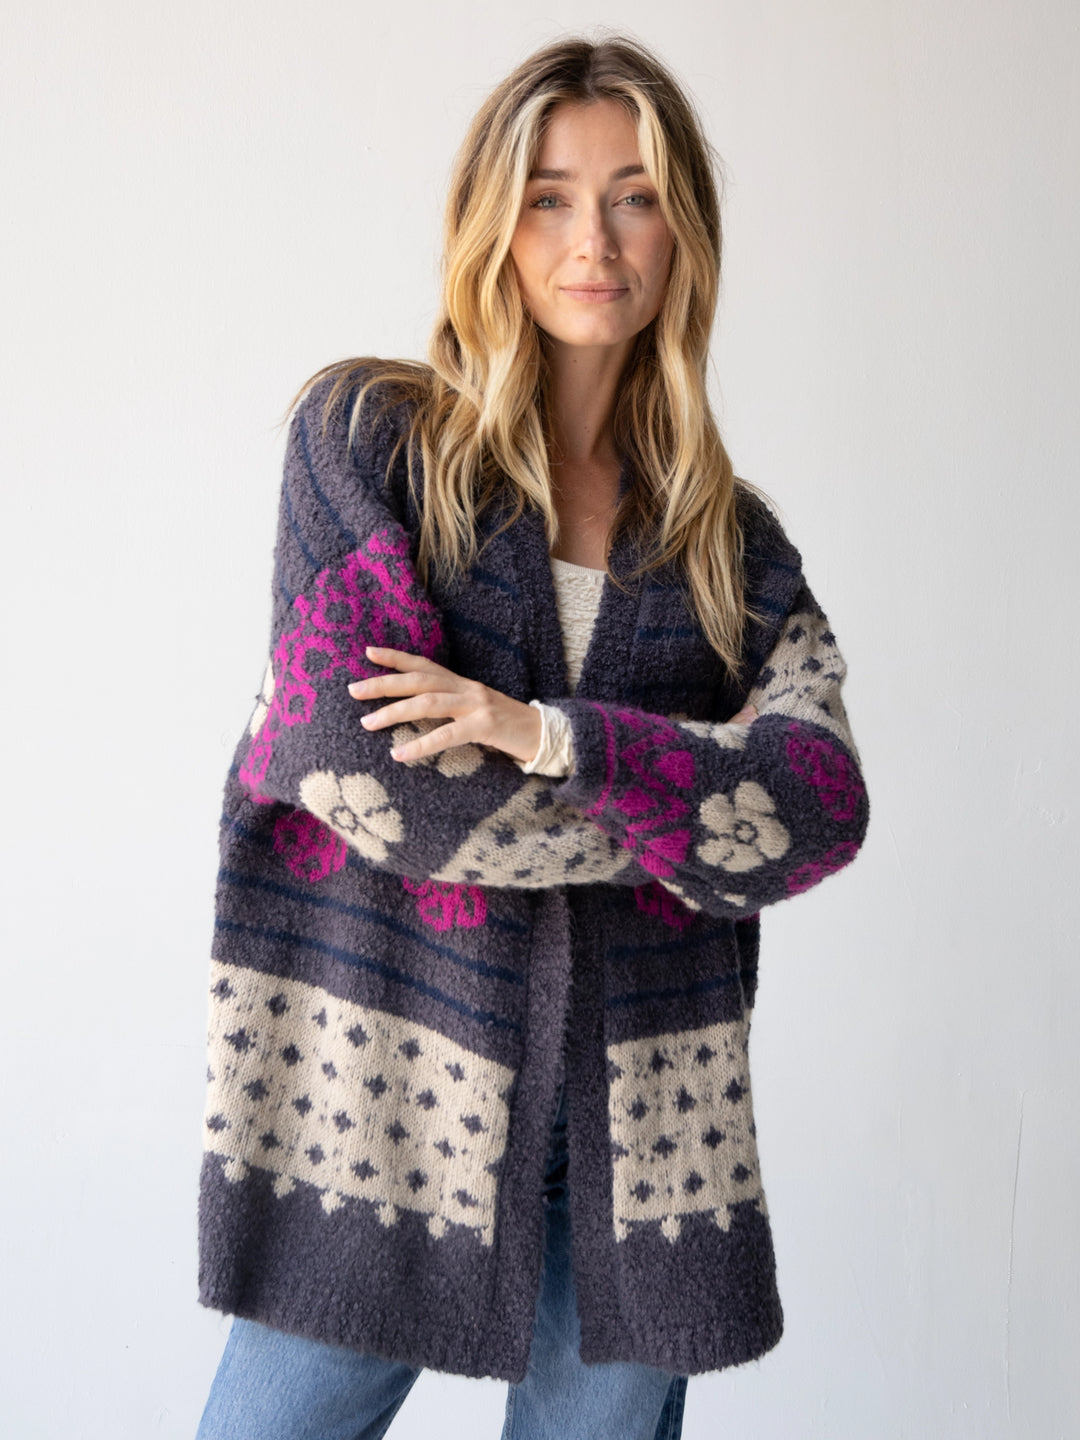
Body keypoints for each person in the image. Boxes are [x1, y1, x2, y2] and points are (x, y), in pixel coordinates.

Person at [194, 34, 869, 1440]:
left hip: (644, 1143)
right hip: (379, 1104)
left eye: (635, 196)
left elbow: (817, 805)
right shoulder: (369, 445)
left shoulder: (729, 547)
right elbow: (365, 779)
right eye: (551, 197)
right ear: (492, 225)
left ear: (683, 233)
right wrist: (685, 814)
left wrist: (552, 738)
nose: (593, 240)